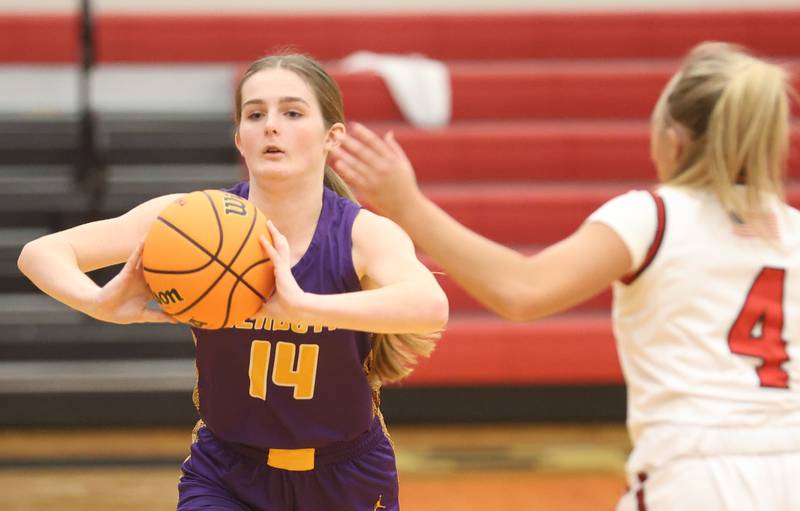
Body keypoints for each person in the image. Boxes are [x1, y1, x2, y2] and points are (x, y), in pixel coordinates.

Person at [331, 42, 800, 511]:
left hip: (698, 473)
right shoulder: (792, 230)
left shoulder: (654, 216)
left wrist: (407, 206)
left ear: (673, 139)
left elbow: (522, 291)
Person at [17, 53, 448, 511]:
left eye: (293, 112)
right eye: (255, 114)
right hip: (228, 472)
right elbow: (40, 254)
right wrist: (96, 300)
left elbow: (429, 305)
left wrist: (306, 307)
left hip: (347, 476)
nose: (271, 126)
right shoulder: (192, 221)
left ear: (331, 136)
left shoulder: (361, 233)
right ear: (240, 138)